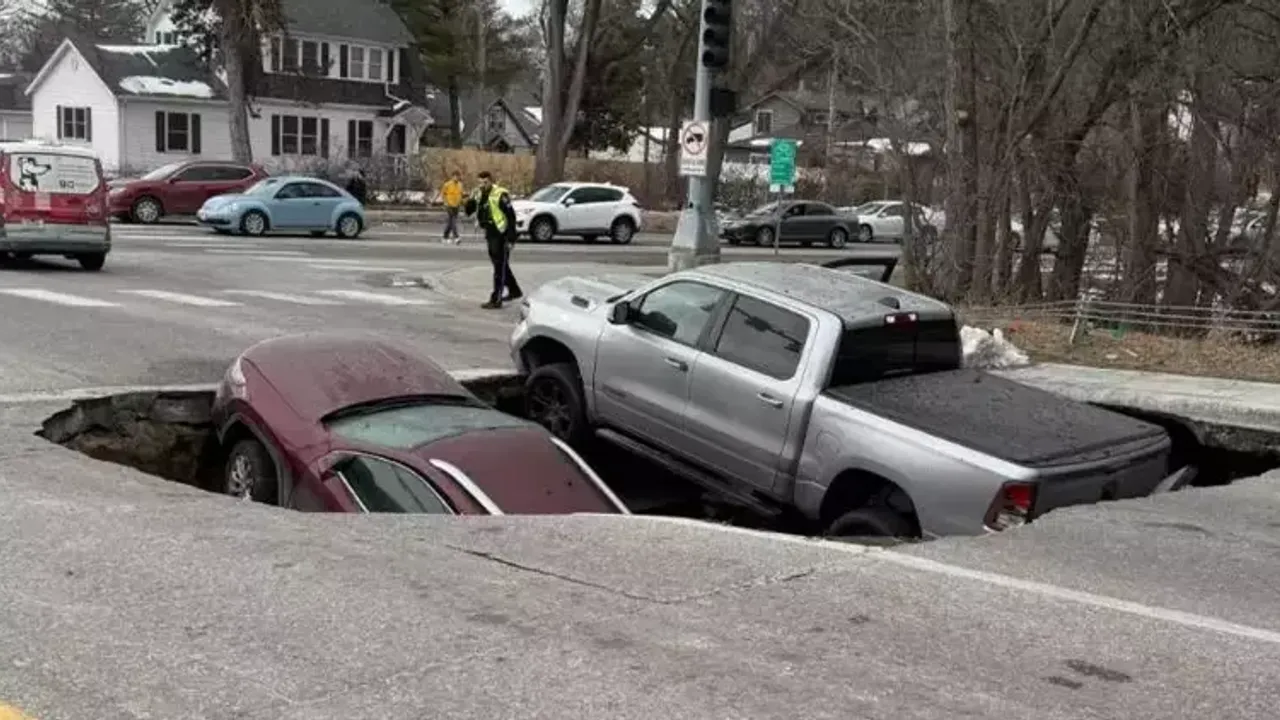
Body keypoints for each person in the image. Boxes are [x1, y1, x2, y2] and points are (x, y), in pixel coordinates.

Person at [463, 171, 522, 309]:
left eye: (485, 182)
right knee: (500, 265)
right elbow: (469, 211)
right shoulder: (478, 194)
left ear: (491, 181)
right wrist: (470, 200)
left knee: (499, 267)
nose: (482, 185)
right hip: (490, 232)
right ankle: (514, 290)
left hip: (501, 233)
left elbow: (511, 216)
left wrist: (511, 238)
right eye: (480, 183)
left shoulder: (500, 194)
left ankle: (496, 299)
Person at [440, 170, 464, 243]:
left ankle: (445, 237)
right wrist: (445, 202)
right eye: (455, 176)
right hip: (449, 205)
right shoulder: (447, 184)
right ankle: (456, 237)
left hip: (456, 205)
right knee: (453, 221)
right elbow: (443, 194)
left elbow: (461, 194)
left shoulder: (460, 185)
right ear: (452, 177)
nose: (457, 178)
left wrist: (462, 202)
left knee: (450, 222)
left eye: (458, 176)